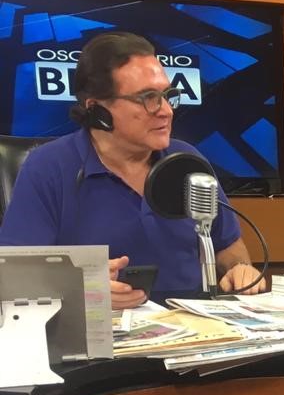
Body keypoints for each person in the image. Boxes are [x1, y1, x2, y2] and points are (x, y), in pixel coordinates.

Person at [0, 31, 266, 308]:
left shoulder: (187, 160)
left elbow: (227, 247)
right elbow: (15, 275)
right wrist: (84, 290)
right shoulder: (48, 167)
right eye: (148, 98)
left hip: (194, 323)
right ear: (98, 110)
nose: (166, 111)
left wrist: (239, 270)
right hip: (101, 330)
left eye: (167, 95)